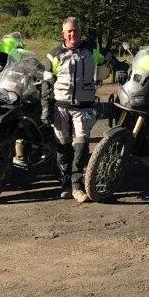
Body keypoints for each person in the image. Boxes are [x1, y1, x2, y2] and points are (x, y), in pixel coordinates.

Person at [42, 17, 102, 203]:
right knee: (62, 148)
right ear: (63, 34)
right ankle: (66, 184)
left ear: (80, 32)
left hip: (83, 108)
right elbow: (46, 82)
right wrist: (45, 107)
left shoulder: (92, 50)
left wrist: (122, 69)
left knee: (81, 146)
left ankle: (77, 186)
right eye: (69, 31)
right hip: (61, 107)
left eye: (75, 30)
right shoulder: (54, 54)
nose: (72, 34)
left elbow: (109, 60)